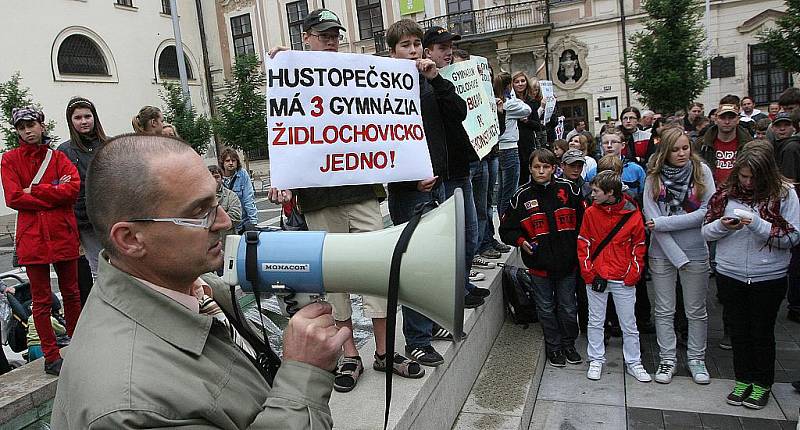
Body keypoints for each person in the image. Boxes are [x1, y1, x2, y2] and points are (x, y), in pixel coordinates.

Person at [51, 134, 347, 428]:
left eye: (216, 201)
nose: (223, 222)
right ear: (130, 239)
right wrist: (302, 376)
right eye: (199, 212)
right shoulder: (130, 409)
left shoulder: (191, 288)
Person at [267, 9, 424, 393]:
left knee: (379, 272)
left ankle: (385, 352)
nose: (331, 40)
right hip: (320, 200)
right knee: (335, 278)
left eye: (335, 34)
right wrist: (282, 179)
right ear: (306, 38)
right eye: (322, 35)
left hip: (363, 190)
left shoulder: (361, 75)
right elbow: (284, 128)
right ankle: (350, 354)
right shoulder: (290, 74)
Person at [383, 18, 473, 367]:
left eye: (417, 44)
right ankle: (416, 340)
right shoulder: (382, 85)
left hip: (437, 183)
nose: (414, 51)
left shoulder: (430, 81)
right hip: (410, 190)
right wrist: (409, 177)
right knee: (414, 265)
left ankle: (430, 325)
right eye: (406, 45)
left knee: (434, 260)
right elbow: (381, 142)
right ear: (393, 51)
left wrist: (436, 79)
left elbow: (458, 113)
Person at [702, 143, 800, 410]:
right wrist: (722, 226)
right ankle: (743, 380)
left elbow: (792, 236)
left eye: (753, 177)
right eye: (743, 176)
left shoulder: (785, 194)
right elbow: (706, 232)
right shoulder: (725, 194)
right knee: (738, 332)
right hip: (730, 272)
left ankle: (762, 384)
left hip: (769, 276)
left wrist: (758, 224)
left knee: (762, 332)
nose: (747, 182)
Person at [1, 107, 82, 375]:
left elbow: (72, 189)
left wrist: (34, 190)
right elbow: (13, 197)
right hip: (33, 238)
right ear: (17, 131)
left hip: (62, 234)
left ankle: (78, 347)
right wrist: (54, 191)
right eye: (22, 127)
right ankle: (51, 355)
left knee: (71, 293)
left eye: (31, 124)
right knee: (41, 300)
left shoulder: (57, 158)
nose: (27, 130)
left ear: (42, 125)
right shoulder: (9, 160)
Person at [643, 127, 715, 385]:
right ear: (665, 151)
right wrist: (675, 252)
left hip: (695, 248)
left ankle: (696, 358)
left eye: (685, 147)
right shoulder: (653, 177)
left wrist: (666, 223)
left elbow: (707, 212)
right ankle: (667, 358)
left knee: (696, 310)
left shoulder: (702, 172)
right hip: (663, 252)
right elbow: (651, 219)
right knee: (664, 310)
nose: (682, 153)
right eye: (675, 149)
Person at [500, 149, 585, 368]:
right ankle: (554, 347)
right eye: (536, 167)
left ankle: (569, 344)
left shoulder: (570, 190)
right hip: (539, 267)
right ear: (529, 168)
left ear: (554, 168)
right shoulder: (521, 196)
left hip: (568, 265)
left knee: (568, 307)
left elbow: (585, 225)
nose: (541, 171)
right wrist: (521, 242)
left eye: (546, 167)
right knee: (545, 309)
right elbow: (506, 230)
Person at [422, 26, 486, 293]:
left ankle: (463, 284)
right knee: (455, 237)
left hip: (461, 168)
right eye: (442, 48)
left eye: (450, 47)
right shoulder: (421, 83)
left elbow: (460, 110)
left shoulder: (445, 80)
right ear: (428, 52)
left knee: (470, 234)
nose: (448, 52)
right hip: (442, 174)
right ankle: (456, 290)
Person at [578, 170, 650, 382]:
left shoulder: (633, 215)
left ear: (610, 193)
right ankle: (596, 359)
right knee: (595, 320)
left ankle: (634, 362)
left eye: (596, 191)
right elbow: (583, 242)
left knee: (629, 323)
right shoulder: (591, 212)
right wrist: (588, 271)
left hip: (622, 276)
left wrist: (633, 274)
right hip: (597, 275)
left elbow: (639, 246)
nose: (592, 195)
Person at [57, 97, 108, 278]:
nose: (84, 121)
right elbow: (61, 186)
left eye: (88, 116)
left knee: (124, 265)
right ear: (71, 121)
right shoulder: (64, 151)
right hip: (84, 218)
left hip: (112, 216)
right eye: (78, 118)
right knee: (97, 268)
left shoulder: (108, 145)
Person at [494, 71, 532, 217]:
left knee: (503, 190)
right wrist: (514, 97)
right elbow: (527, 110)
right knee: (509, 191)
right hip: (509, 148)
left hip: (500, 149)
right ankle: (507, 222)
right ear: (509, 86)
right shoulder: (508, 104)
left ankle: (502, 219)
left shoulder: (497, 101)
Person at [699, 103, 753, 187]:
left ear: (738, 120)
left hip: (740, 193)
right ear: (716, 120)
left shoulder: (750, 145)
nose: (727, 122)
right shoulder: (702, 144)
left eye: (731, 118)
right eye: (722, 118)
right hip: (710, 192)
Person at [513, 71, 545, 184]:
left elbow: (538, 126)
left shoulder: (532, 102)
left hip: (527, 143)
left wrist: (527, 121)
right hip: (513, 142)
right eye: (517, 82)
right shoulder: (510, 101)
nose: (520, 84)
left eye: (522, 81)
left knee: (526, 175)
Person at [218, 148, 259, 233]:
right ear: (223, 163)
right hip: (226, 224)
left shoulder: (242, 174)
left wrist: (253, 222)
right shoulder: (218, 177)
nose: (231, 163)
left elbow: (248, 198)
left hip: (243, 221)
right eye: (227, 161)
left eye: (233, 160)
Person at [208, 165, 241, 240]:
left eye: (216, 177)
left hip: (227, 240)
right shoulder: (200, 197)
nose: (214, 180)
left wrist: (210, 221)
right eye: (210, 177)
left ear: (221, 178)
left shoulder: (231, 196)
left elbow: (236, 217)